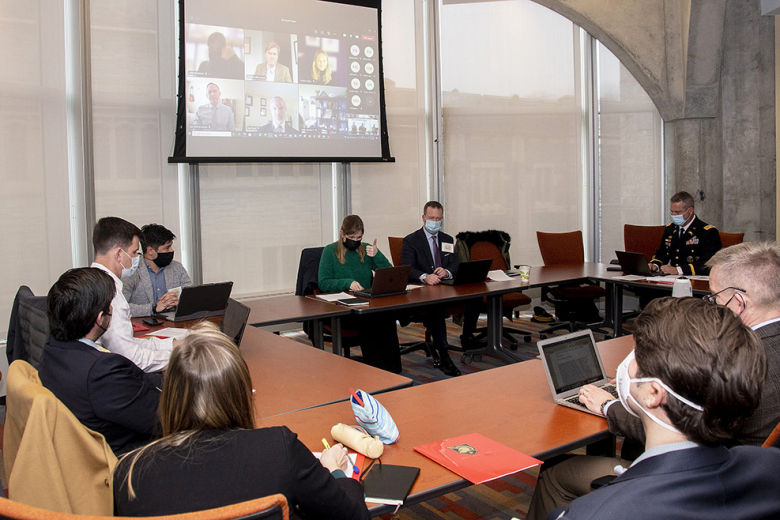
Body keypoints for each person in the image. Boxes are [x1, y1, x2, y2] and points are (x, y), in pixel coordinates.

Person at [527, 242, 780, 519]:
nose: (711, 307)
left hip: (697, 479)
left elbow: (681, 423)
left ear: (739, 303)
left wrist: (611, 405)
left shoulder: (741, 357)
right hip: (745, 477)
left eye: (714, 298)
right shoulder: (770, 462)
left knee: (555, 472)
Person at [113, 323, 369, 519]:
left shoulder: (131, 472)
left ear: (171, 396)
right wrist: (335, 471)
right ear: (241, 392)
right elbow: (353, 515)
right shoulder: (279, 449)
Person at [38, 268, 162, 455]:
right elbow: (162, 419)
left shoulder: (52, 350)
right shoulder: (102, 371)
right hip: (127, 459)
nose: (112, 309)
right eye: (109, 305)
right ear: (99, 318)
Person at [91, 217, 178, 372]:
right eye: (134, 252)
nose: (137, 257)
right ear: (119, 254)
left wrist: (173, 344)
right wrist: (181, 356)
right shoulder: (110, 294)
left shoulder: (91, 281)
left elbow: (126, 344)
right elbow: (132, 358)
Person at [318, 215, 402, 373]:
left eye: (359, 237)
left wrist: (377, 255)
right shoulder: (330, 251)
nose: (355, 241)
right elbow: (323, 282)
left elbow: (390, 274)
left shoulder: (366, 248)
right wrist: (347, 282)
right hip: (342, 308)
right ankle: (375, 371)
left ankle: (393, 371)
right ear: (342, 234)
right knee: (369, 320)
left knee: (387, 315)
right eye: (351, 237)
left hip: (365, 303)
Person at [400, 201, 467, 377]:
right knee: (437, 308)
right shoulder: (411, 241)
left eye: (438, 218)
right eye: (431, 218)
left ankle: (469, 340)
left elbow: (454, 264)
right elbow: (407, 269)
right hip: (422, 293)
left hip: (445, 288)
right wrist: (425, 276)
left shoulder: (447, 239)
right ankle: (444, 357)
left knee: (475, 297)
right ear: (423, 218)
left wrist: (447, 271)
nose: (434, 221)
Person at [122, 224, 192, 317]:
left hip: (174, 324)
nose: (171, 250)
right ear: (150, 250)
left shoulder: (177, 268)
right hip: (145, 326)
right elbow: (122, 307)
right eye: (167, 247)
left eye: (171, 246)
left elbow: (191, 297)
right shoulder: (132, 271)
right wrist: (153, 308)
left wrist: (181, 302)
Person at [648, 190, 721, 275]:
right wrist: (655, 265)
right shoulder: (670, 229)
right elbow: (662, 253)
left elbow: (708, 264)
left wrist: (678, 270)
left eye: (678, 212)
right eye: (672, 211)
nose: (674, 215)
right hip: (672, 279)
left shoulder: (707, 232)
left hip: (695, 279)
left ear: (690, 211)